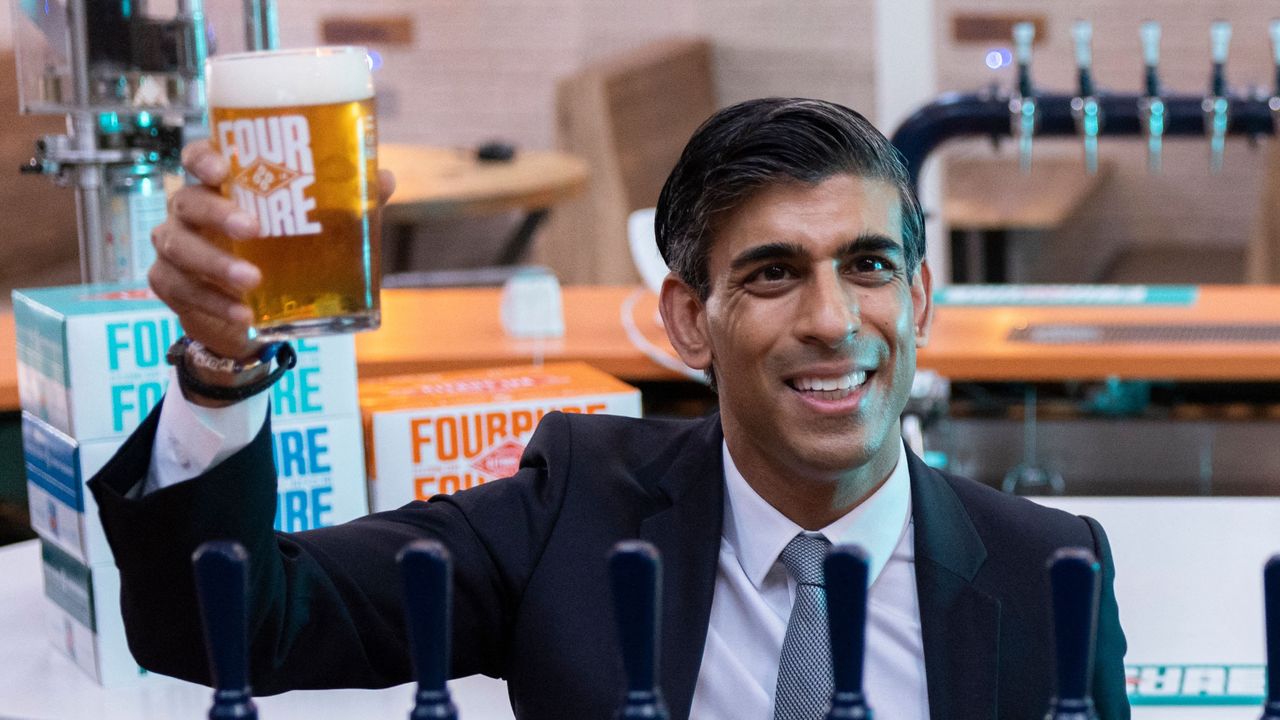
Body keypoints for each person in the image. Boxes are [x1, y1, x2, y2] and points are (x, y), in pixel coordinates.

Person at [89, 98, 1129, 720]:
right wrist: (220, 372)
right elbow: (233, 626)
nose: (829, 319)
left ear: (914, 298)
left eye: (865, 266)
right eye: (771, 275)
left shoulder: (1050, 573)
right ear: (687, 320)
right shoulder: (574, 513)